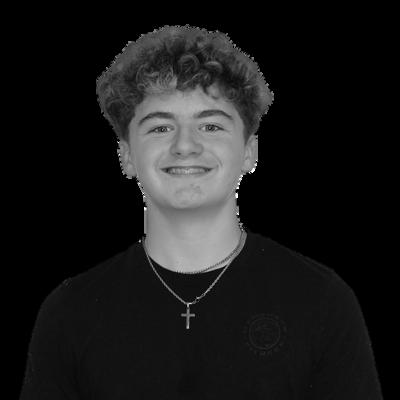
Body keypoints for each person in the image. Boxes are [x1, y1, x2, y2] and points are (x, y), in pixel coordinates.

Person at [20, 25, 383, 399]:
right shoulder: (70, 312)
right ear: (126, 155)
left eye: (210, 125)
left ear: (249, 151)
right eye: (160, 127)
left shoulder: (322, 301)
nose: (185, 146)